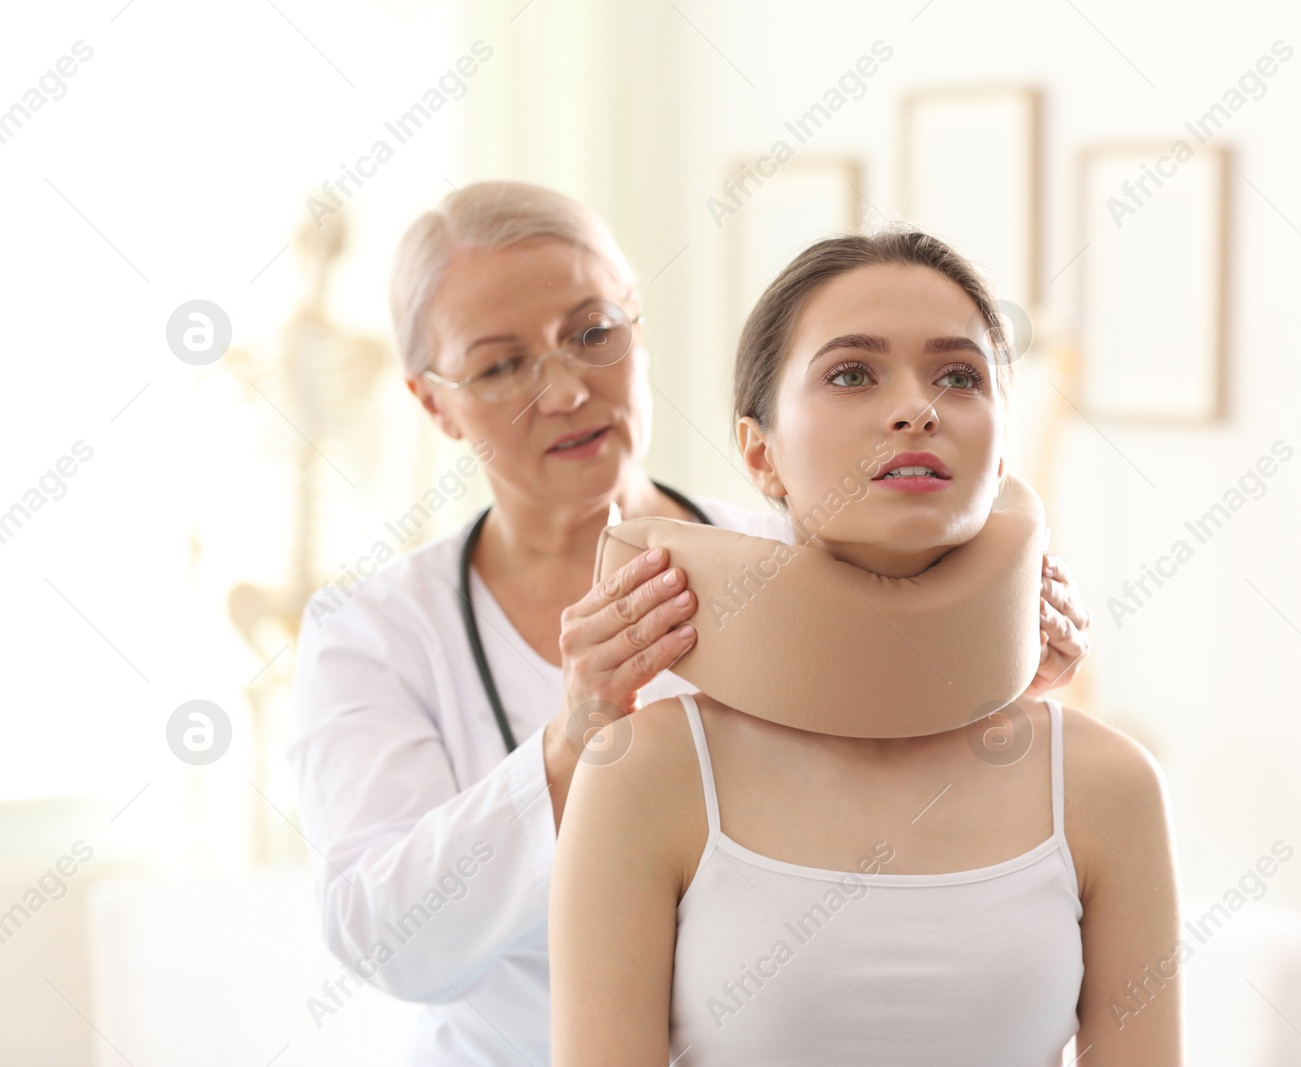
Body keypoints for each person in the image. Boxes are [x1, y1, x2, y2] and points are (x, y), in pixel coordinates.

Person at [288, 183, 1094, 1065]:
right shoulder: (376, 632)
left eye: (593, 333)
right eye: (500, 365)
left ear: (639, 328)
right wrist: (574, 742)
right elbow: (390, 939)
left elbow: (911, 835)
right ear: (434, 402)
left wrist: (1001, 680)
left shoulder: (805, 556)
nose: (563, 390)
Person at [549, 230, 1180, 1065]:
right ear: (759, 453)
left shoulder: (1108, 784)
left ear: (1001, 455)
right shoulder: (644, 776)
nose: (918, 407)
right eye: (852, 373)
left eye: (959, 376)